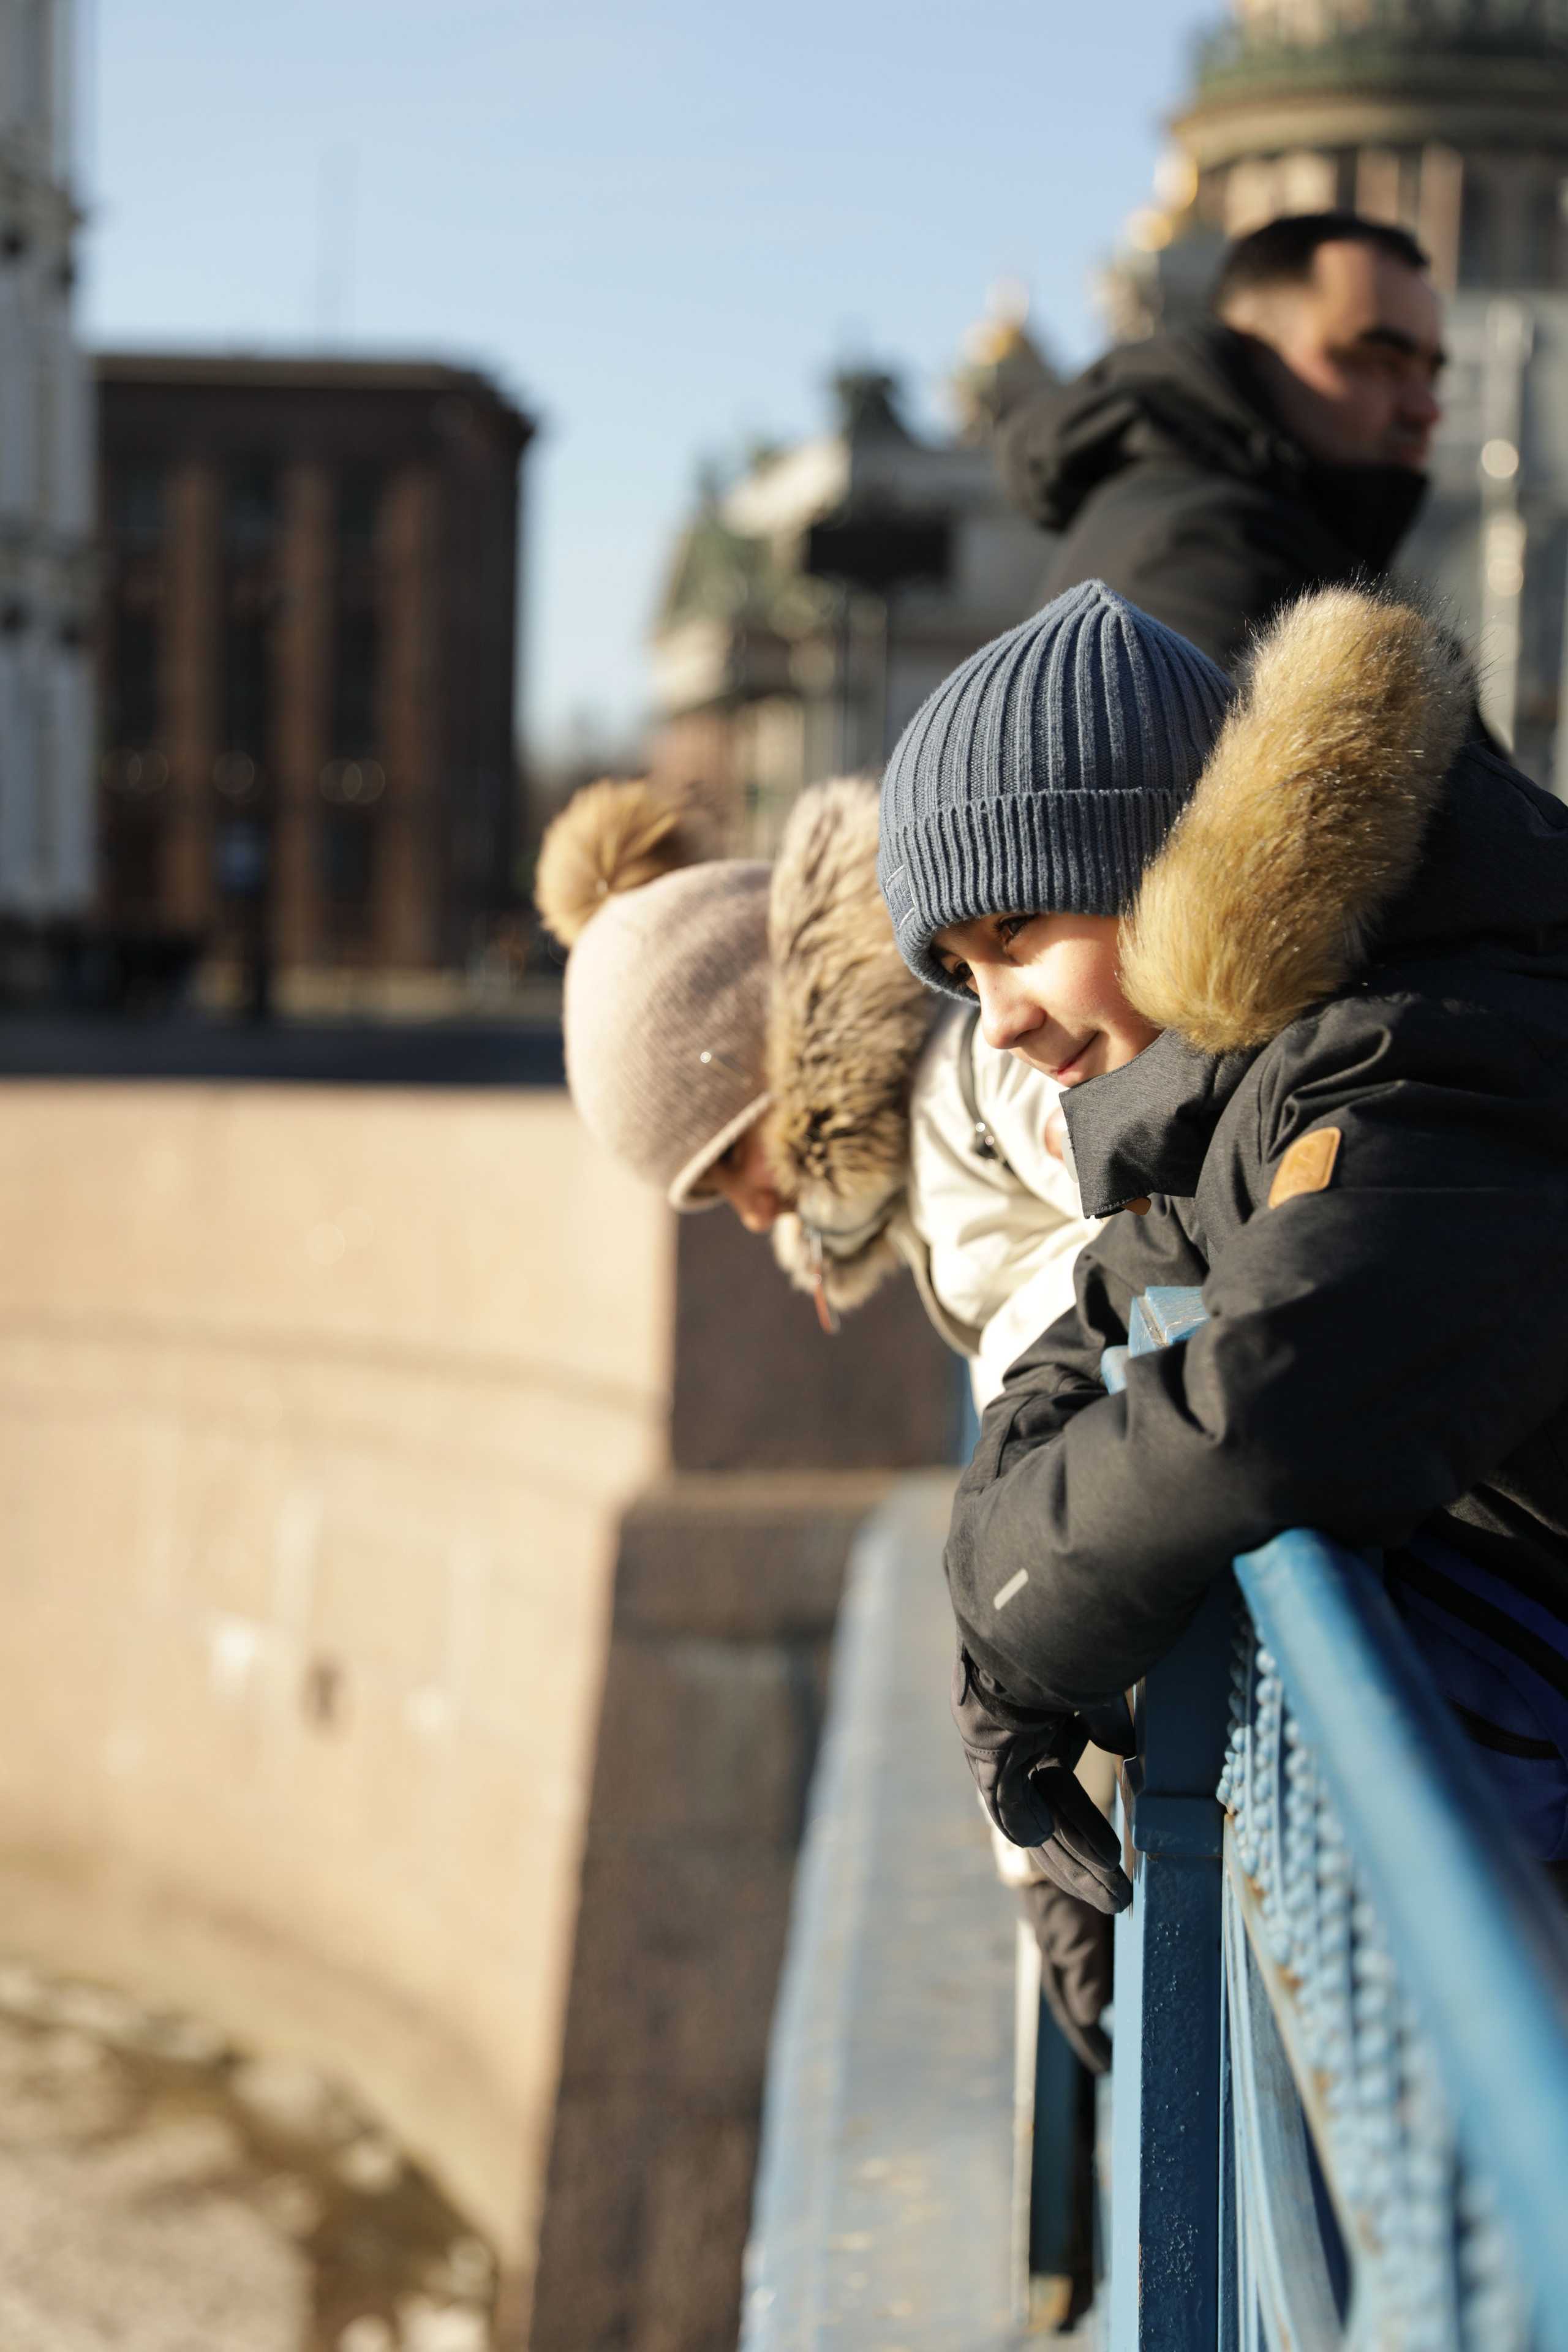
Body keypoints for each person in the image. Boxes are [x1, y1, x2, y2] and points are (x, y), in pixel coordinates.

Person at [878, 574, 1568, 1898]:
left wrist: (1017, 1630)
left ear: (1161, 862)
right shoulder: (1266, 1056)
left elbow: (1264, 1411)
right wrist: (988, 1600)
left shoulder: (1426, 1043)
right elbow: (1096, 1315)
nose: (997, 1020)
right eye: (961, 975)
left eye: (1017, 932)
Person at [535, 771, 1117, 2073]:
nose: (753, 1214)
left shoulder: (978, 1081)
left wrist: (1038, 1853)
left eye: (732, 1163)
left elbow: (1162, 1223)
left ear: (778, 1072)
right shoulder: (935, 1150)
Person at [993, 212, 1444, 671]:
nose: (1427, 408)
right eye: (1380, 362)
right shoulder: (1214, 549)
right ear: (1255, 352)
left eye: (1431, 372)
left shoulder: (1240, 521)